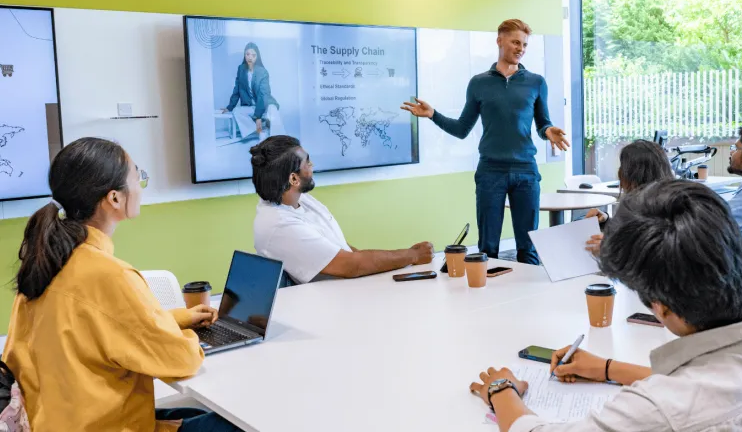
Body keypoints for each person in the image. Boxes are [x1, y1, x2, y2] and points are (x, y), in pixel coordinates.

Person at [469, 181, 742, 432]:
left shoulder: (660, 411)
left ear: (661, 308)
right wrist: (607, 368)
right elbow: (726, 378)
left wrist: (502, 390)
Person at [2, 137, 239, 431]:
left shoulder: (45, 263)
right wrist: (192, 336)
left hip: (52, 421)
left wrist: (177, 319)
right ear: (114, 198)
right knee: (237, 420)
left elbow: (93, 329)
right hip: (102, 425)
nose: (140, 186)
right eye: (138, 177)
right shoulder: (109, 275)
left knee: (199, 414)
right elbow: (182, 359)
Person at [401, 19, 569, 264]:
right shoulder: (479, 83)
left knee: (528, 248)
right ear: (499, 40)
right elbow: (461, 129)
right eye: (515, 42)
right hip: (491, 171)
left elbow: (543, 124)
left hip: (526, 171)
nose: (520, 49)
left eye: (524, 44)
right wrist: (433, 115)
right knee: (488, 248)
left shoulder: (536, 82)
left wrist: (549, 131)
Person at [251, 135, 434, 283]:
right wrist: (413, 255)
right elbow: (351, 265)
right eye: (307, 162)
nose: (312, 166)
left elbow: (339, 247)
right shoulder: (279, 225)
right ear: (293, 179)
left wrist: (371, 260)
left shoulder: (295, 198)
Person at [583, 139, 671, 255]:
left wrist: (612, 247)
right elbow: (628, 231)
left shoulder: (635, 206)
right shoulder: (669, 200)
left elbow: (645, 250)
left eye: (622, 167)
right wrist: (606, 220)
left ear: (632, 174)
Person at [220, 42, 284, 142]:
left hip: (265, 104)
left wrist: (258, 116)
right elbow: (237, 89)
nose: (250, 57)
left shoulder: (263, 72)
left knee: (273, 109)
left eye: (253, 55)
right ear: (244, 55)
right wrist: (230, 107)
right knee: (237, 111)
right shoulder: (241, 69)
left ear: (257, 57)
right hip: (251, 105)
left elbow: (264, 95)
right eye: (247, 54)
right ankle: (261, 132)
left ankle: (278, 139)